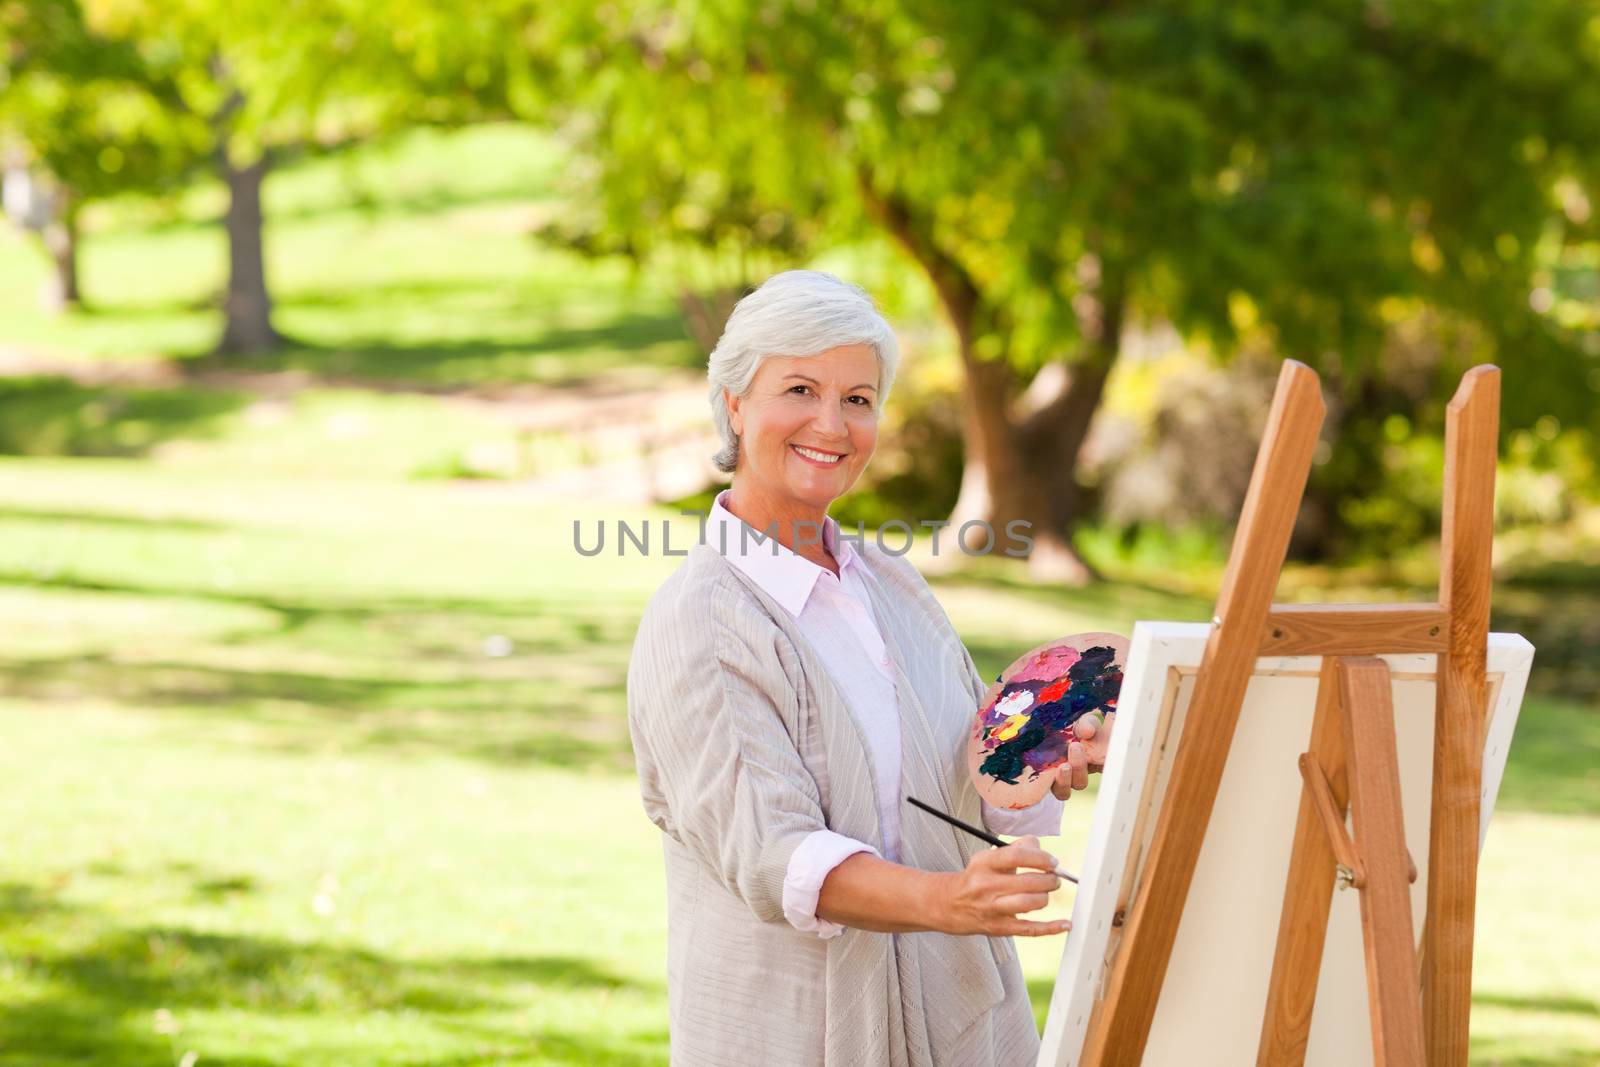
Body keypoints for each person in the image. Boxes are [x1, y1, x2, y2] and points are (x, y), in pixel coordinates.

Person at [626, 270, 1113, 1066]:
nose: (832, 422)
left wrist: (1040, 751)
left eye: (858, 398)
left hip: (958, 1021)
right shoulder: (701, 621)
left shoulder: (892, 585)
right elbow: (773, 852)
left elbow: (968, 769)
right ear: (735, 403)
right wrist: (947, 899)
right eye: (800, 388)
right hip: (796, 1035)